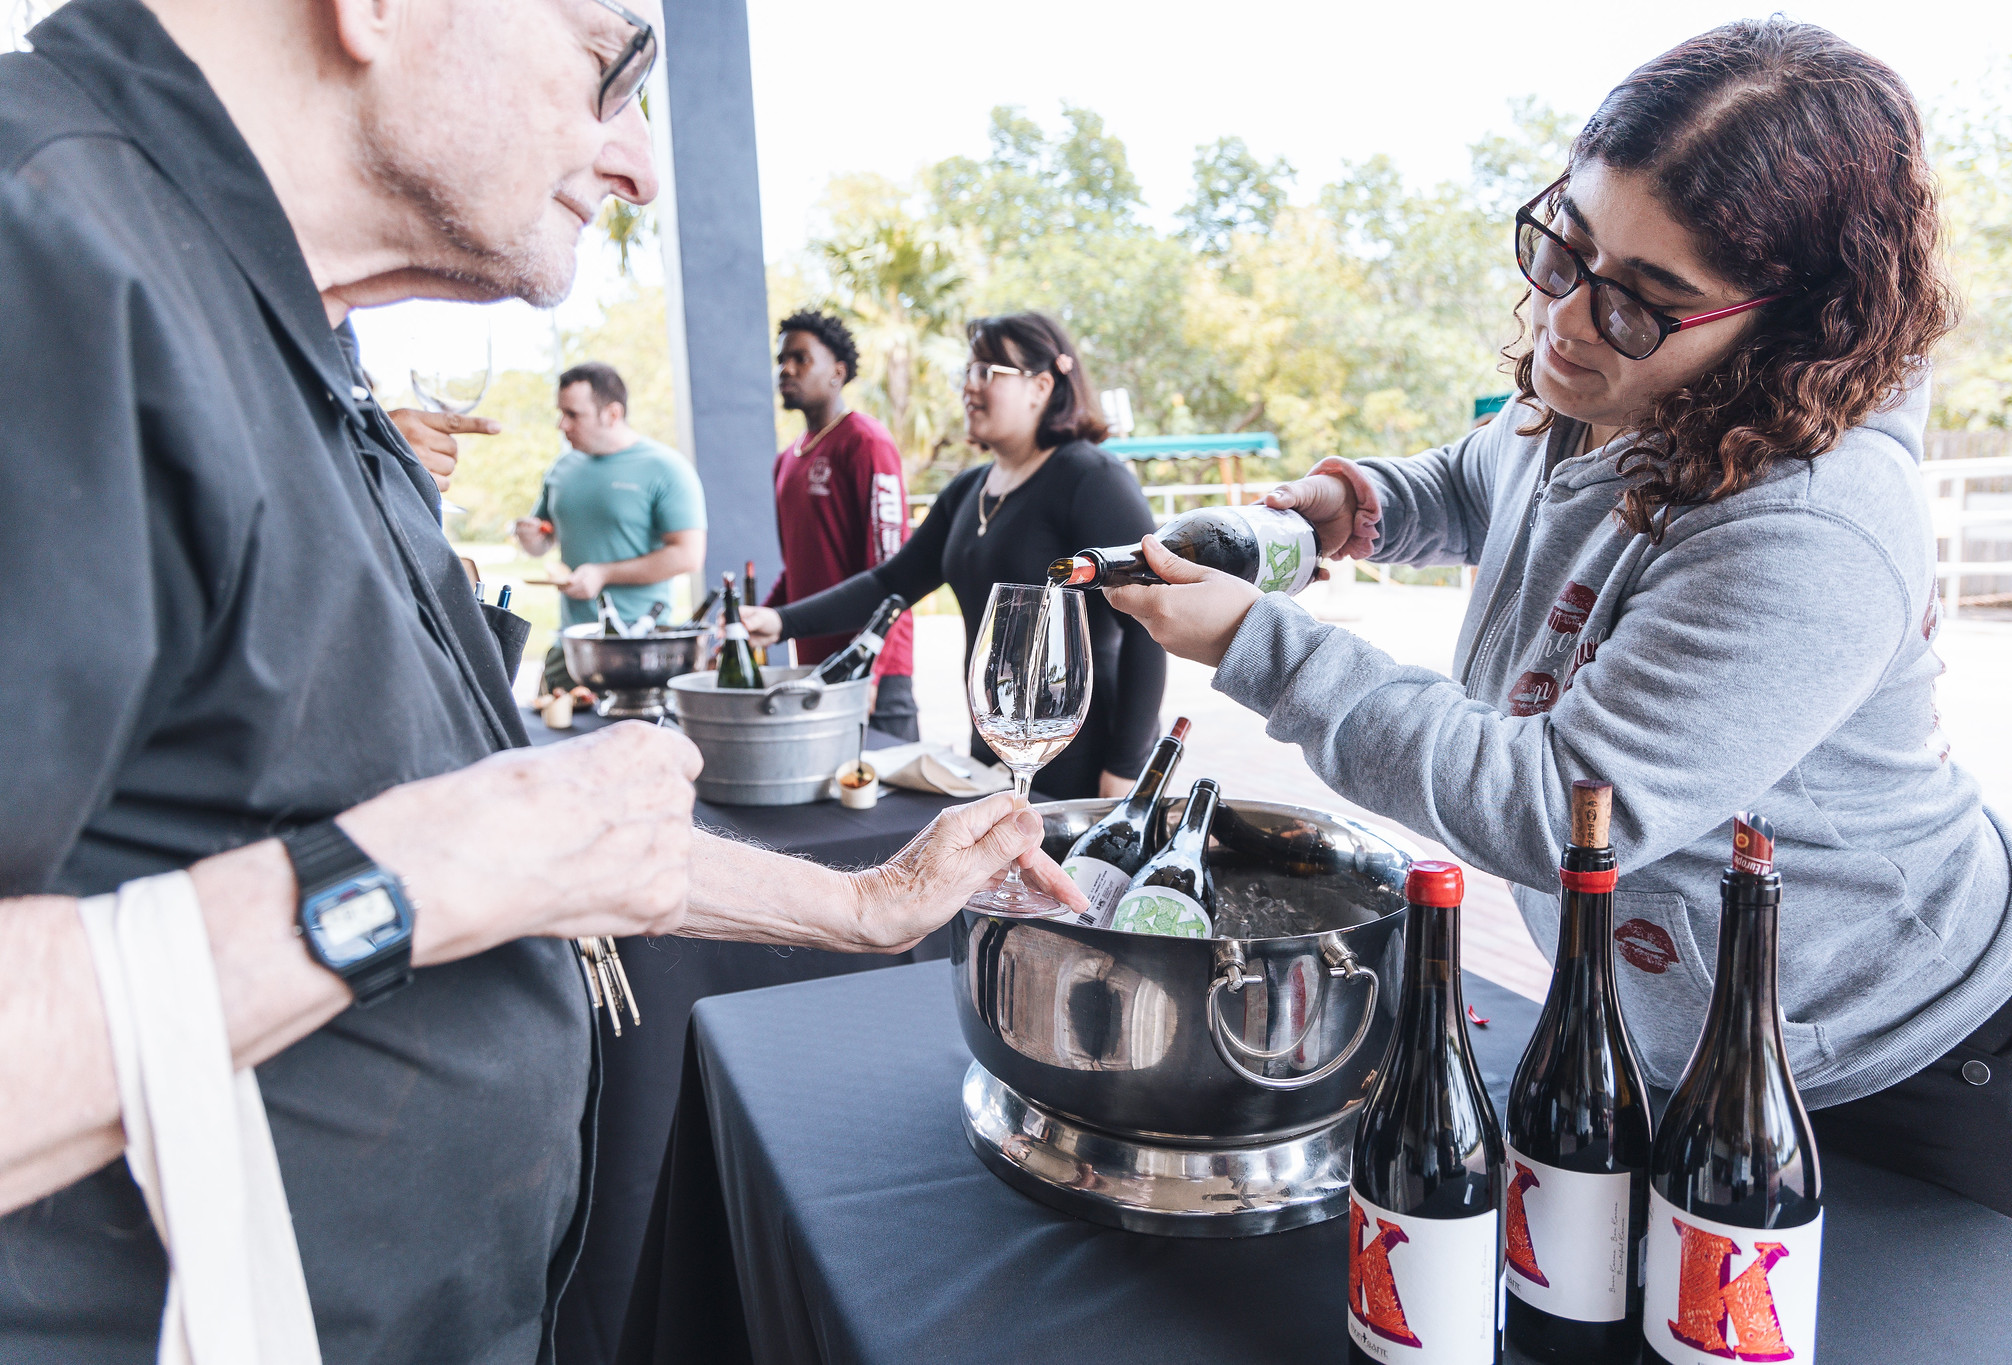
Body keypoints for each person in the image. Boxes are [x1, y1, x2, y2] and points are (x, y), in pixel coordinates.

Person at [0, 2, 1079, 1360]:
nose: (638, 163)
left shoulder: (288, 324)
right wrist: (401, 881)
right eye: (612, 68)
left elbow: (520, 842)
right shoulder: (38, 249)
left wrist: (865, 903)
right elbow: (449, 856)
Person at [1109, 18, 2012, 1231]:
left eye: (1644, 300)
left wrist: (1258, 647)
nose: (1562, 320)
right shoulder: (1612, 382)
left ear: (1792, 322)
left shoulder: (1813, 524)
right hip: (1672, 1032)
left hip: (1885, 1061)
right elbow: (1485, 476)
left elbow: (1556, 810)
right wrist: (1366, 505)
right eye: (1563, 245)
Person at [743, 312, 1167, 801]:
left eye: (987, 372)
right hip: (995, 751)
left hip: (1085, 759)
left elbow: (1147, 630)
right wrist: (779, 621)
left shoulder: (1092, 480)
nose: (968, 386)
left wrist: (1126, 768)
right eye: (966, 372)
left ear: (1041, 386)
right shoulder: (969, 490)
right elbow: (889, 585)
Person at [766, 310, 918, 739]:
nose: (786, 369)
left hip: (873, 671)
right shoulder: (786, 460)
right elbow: (798, 568)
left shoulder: (866, 442)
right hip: (813, 670)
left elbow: (894, 570)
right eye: (781, 360)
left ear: (837, 372)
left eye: (800, 358)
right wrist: (764, 618)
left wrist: (875, 668)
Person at [516, 362, 706, 690]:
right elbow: (542, 542)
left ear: (612, 414)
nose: (562, 425)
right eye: (561, 413)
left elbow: (688, 556)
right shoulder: (562, 468)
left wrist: (604, 574)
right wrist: (530, 536)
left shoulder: (666, 468)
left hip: (638, 650)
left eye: (574, 414)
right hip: (571, 647)